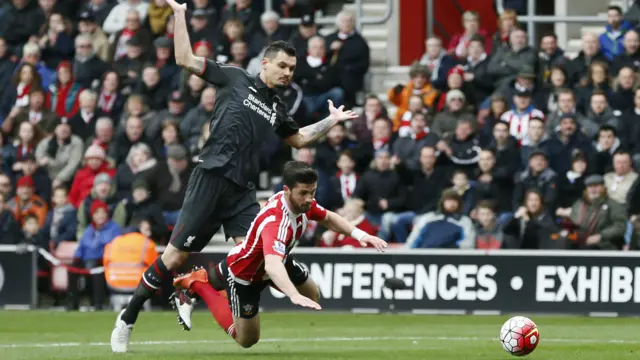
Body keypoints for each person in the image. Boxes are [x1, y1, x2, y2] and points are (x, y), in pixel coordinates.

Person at [110, 0, 359, 353]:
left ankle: (198, 285)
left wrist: (331, 121)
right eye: (283, 66)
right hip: (210, 179)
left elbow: (299, 138)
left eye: (292, 68)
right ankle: (128, 317)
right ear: (266, 63)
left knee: (253, 256)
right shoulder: (234, 76)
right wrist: (180, 15)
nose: (288, 73)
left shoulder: (277, 108)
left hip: (242, 191)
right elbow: (185, 59)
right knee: (174, 257)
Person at [171, 161, 387, 348]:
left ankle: (200, 280)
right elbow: (272, 266)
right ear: (286, 190)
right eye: (303, 192)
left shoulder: (302, 203)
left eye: (312, 192)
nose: (309, 198)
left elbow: (329, 217)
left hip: (272, 258)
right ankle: (199, 285)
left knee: (314, 294)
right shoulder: (277, 223)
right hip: (247, 275)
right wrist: (292, 295)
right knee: (247, 340)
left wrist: (360, 235)